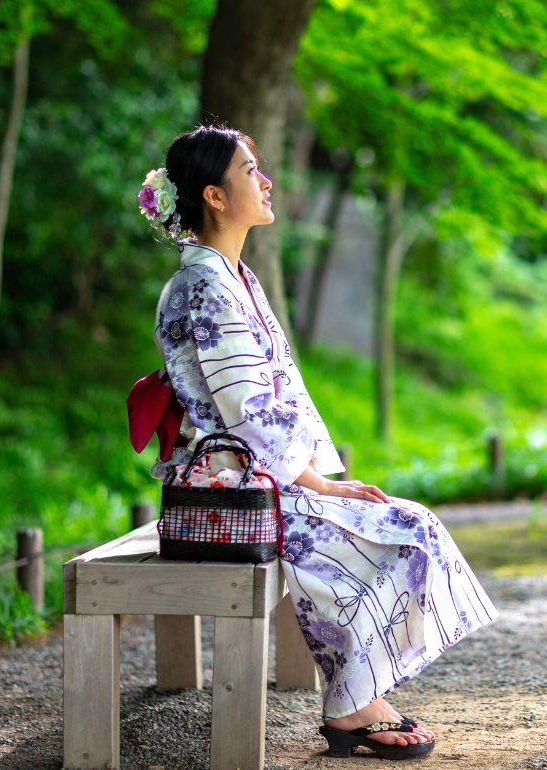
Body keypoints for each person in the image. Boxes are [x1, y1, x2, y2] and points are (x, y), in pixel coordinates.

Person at [135, 124, 496, 760]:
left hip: (256, 476)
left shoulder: (229, 277)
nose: (266, 181)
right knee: (402, 530)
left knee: (403, 523)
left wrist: (320, 475)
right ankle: (354, 706)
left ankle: (355, 700)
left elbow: (274, 396)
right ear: (215, 197)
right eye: (251, 171)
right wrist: (320, 483)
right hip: (235, 483)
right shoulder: (204, 286)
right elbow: (246, 410)